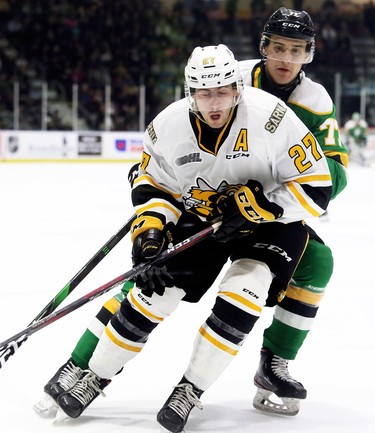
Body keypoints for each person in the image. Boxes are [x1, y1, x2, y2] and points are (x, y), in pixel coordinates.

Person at [36, 44, 332, 432]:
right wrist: (152, 228)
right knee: (153, 290)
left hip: (272, 224)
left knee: (245, 291)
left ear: (236, 89)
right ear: (190, 92)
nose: (215, 103)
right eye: (204, 93)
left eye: (223, 91)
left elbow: (318, 188)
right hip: (205, 218)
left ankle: (190, 390)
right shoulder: (167, 126)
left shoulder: (273, 119)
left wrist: (263, 206)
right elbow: (153, 184)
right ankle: (94, 374)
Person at [239, 7, 348, 416]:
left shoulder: (315, 100)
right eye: (279, 48)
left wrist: (284, 196)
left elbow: (336, 171)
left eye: (297, 50)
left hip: (270, 213)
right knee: (156, 263)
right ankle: (89, 364)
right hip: (214, 201)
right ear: (264, 48)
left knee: (318, 261)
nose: (286, 59)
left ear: (309, 55)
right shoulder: (232, 79)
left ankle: (274, 362)